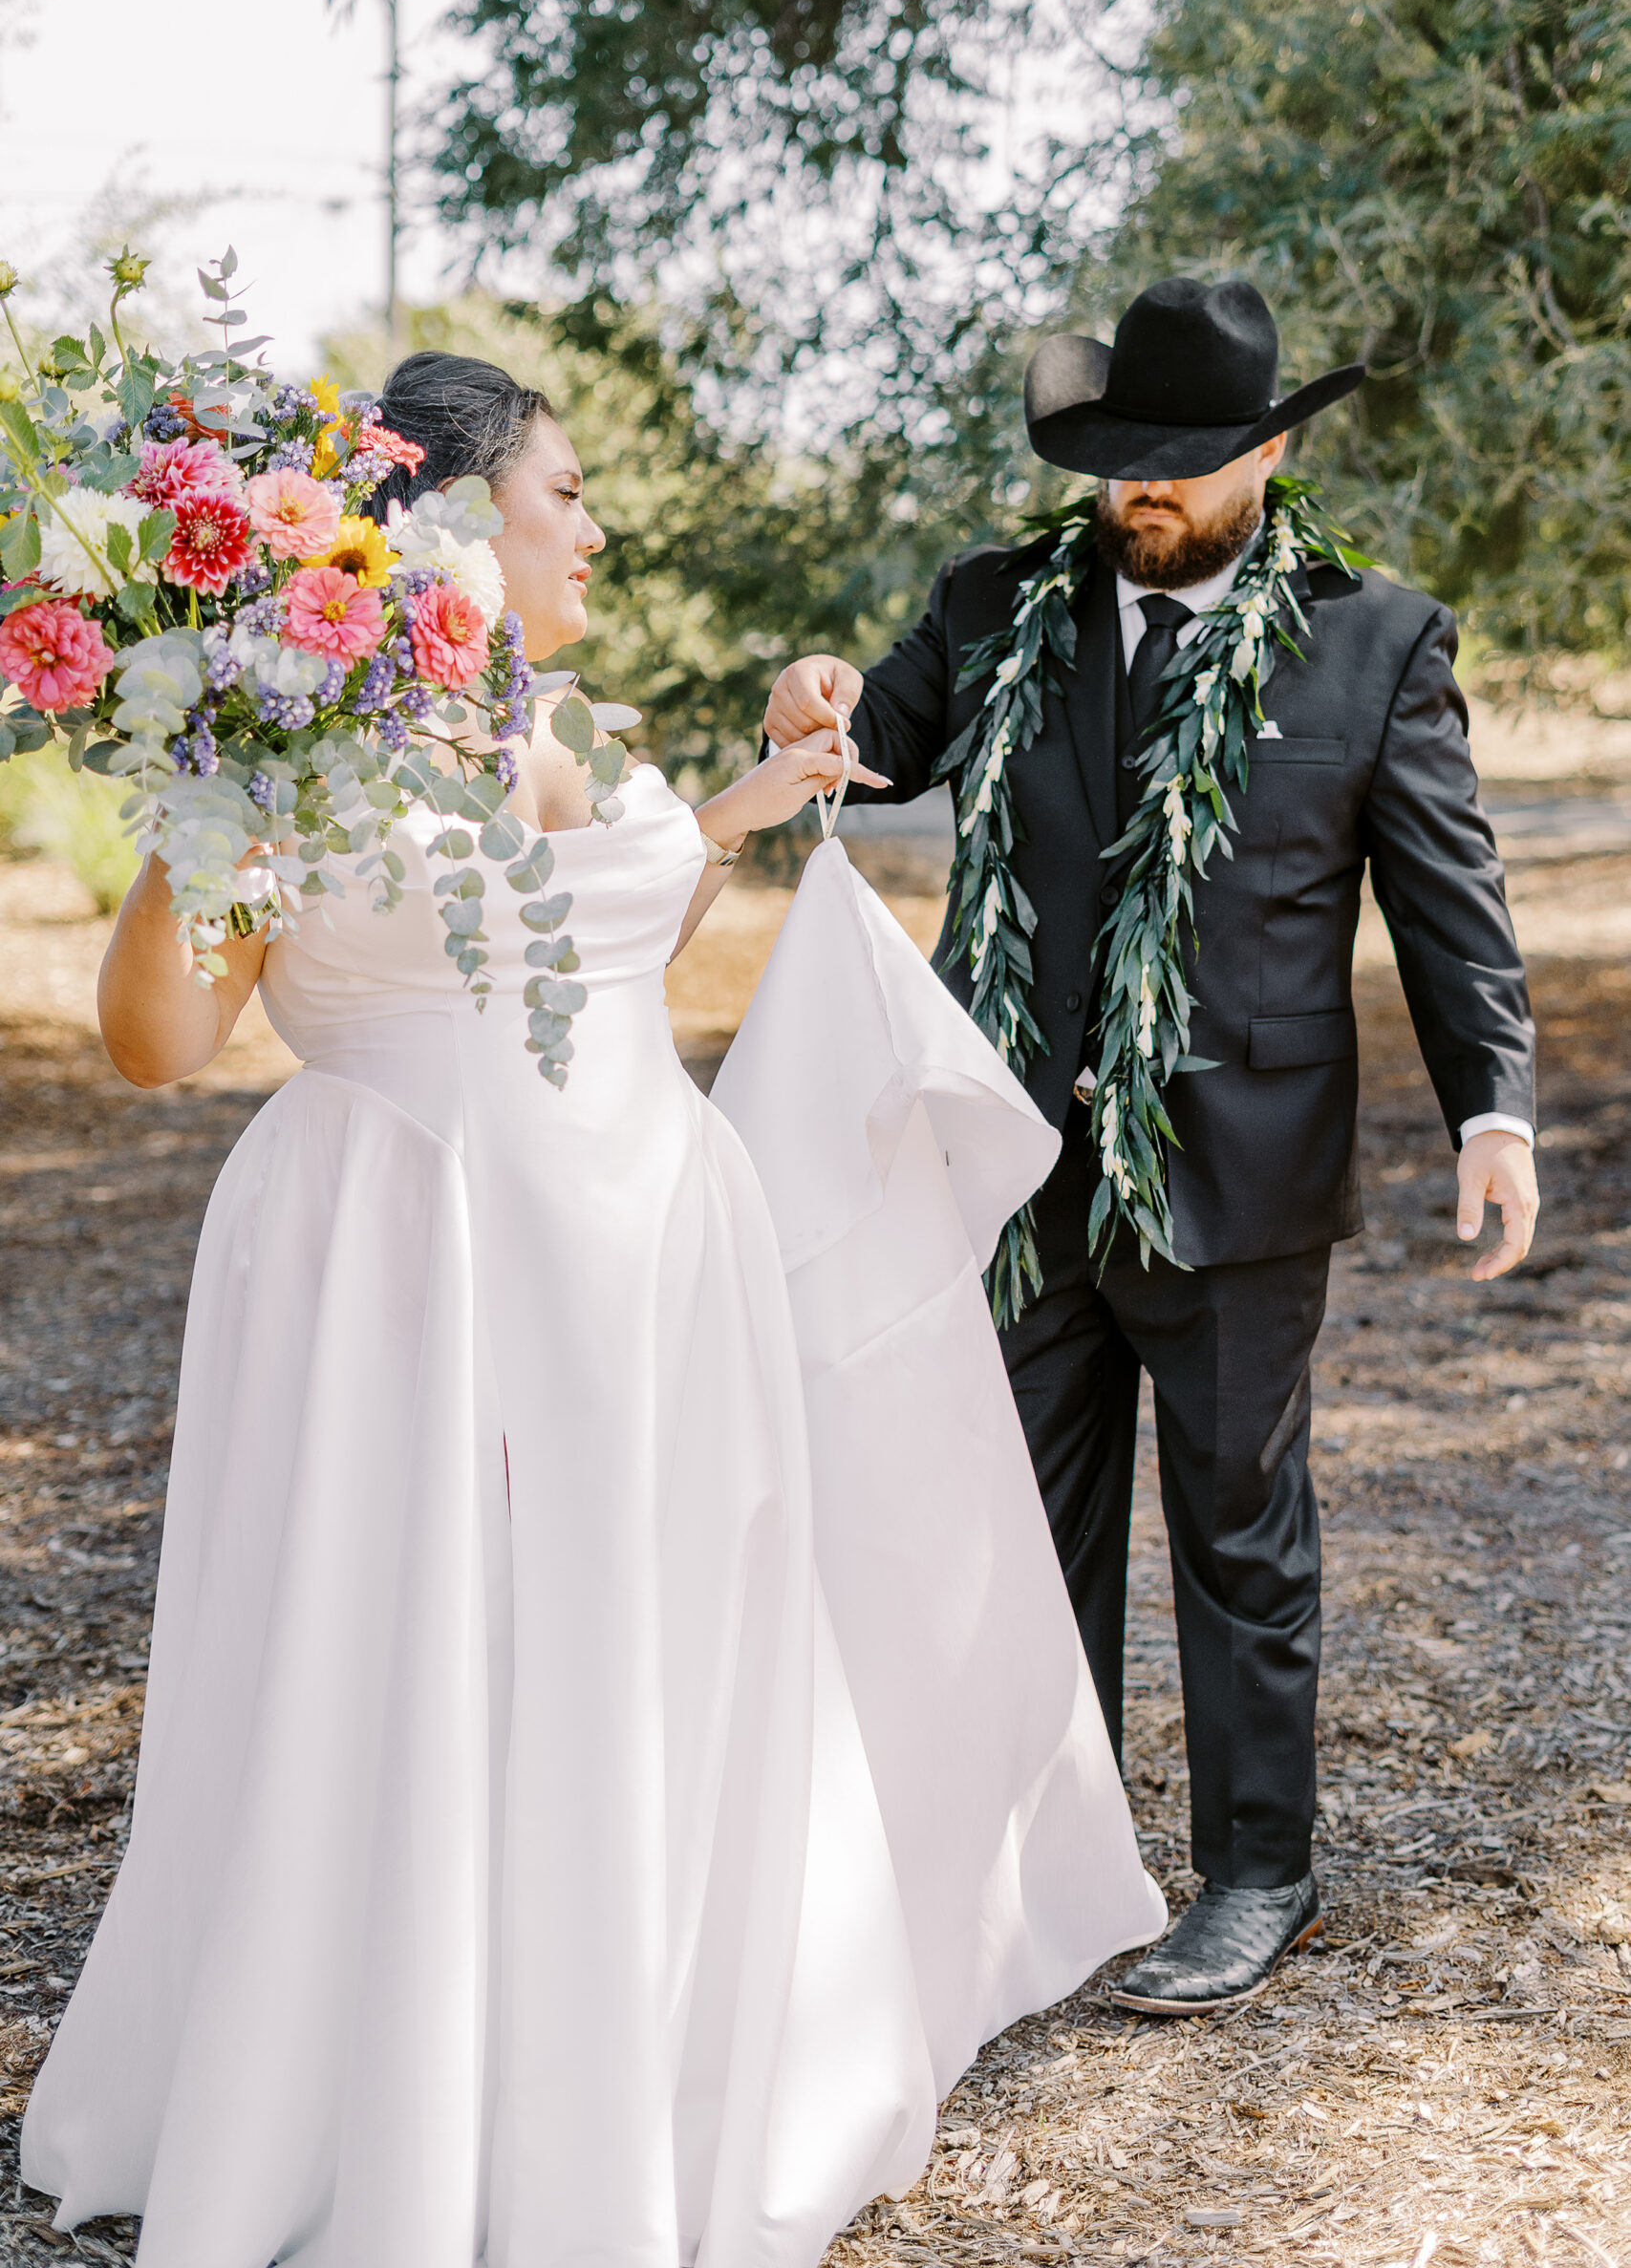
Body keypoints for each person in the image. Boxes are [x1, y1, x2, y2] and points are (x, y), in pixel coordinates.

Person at [20, 352, 1162, 2265]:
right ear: (456, 519)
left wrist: (760, 785)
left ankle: (639, 2061)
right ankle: (409, 2096)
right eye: (568, 492)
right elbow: (154, 1043)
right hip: (420, 1268)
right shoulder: (295, 753)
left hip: (645, 1267)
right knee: (433, 1656)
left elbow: (600, 926)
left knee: (641, 1650)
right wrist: (204, 787)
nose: (600, 525)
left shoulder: (550, 712)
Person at [764, 276, 1540, 2015]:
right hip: (1019, 1166)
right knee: (1017, 1527)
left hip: (1243, 1171)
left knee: (1239, 1528)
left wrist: (1494, 1104)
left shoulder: (1375, 638)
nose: (1146, 496)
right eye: (1124, 463)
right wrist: (812, 693)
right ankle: (1051, 1865)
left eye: (1186, 465)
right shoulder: (990, 606)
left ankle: (1261, 1875)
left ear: (1268, 451)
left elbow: (1447, 902)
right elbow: (867, 748)